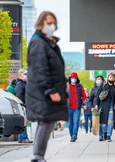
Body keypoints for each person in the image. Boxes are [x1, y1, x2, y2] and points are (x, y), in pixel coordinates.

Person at [26, 11, 69, 162]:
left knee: (47, 122)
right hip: (42, 92)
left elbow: (54, 68)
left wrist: (64, 83)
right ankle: (38, 156)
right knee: (45, 122)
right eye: (48, 22)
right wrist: (50, 90)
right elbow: (40, 69)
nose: (52, 25)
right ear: (41, 23)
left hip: (47, 90)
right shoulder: (38, 42)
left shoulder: (47, 42)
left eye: (53, 23)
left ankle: (38, 156)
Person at [94, 73, 115, 142]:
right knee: (103, 123)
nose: (111, 78)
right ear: (108, 77)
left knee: (110, 121)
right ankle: (105, 132)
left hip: (111, 106)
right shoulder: (103, 85)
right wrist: (96, 104)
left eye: (113, 77)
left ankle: (109, 135)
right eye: (110, 77)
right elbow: (97, 96)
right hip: (103, 106)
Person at [68, 72, 87, 142]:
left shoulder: (80, 86)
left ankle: (74, 135)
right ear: (70, 79)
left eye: (75, 78)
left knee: (76, 122)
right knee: (70, 123)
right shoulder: (66, 86)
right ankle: (72, 136)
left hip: (77, 108)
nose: (73, 79)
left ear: (77, 79)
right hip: (68, 108)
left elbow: (84, 96)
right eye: (72, 78)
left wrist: (82, 103)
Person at [16, 68, 33, 144]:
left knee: (23, 122)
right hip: (22, 105)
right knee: (24, 122)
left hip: (23, 105)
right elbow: (19, 95)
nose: (27, 76)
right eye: (25, 74)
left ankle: (21, 137)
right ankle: (24, 137)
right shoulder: (20, 84)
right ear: (20, 75)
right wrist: (24, 104)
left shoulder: (23, 83)